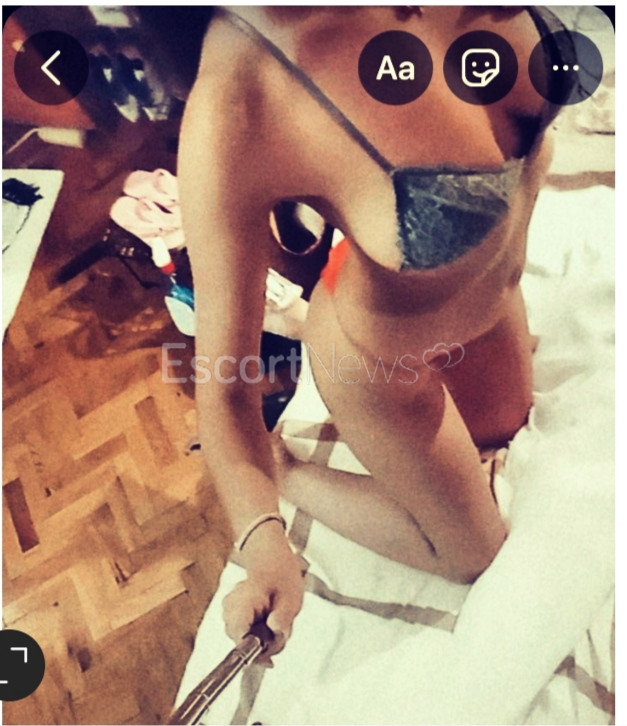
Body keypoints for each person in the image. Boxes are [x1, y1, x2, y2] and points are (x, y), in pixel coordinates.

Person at [177, 6, 563, 659]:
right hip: (381, 364)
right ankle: (288, 467)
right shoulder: (236, 101)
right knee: (472, 553)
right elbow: (224, 389)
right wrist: (263, 539)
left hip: (489, 295)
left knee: (506, 429)